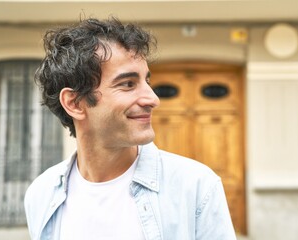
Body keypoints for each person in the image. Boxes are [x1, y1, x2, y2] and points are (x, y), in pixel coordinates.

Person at [24, 17, 236, 240]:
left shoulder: (195, 187)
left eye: (147, 81)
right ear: (75, 103)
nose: (153, 99)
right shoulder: (42, 195)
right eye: (127, 84)